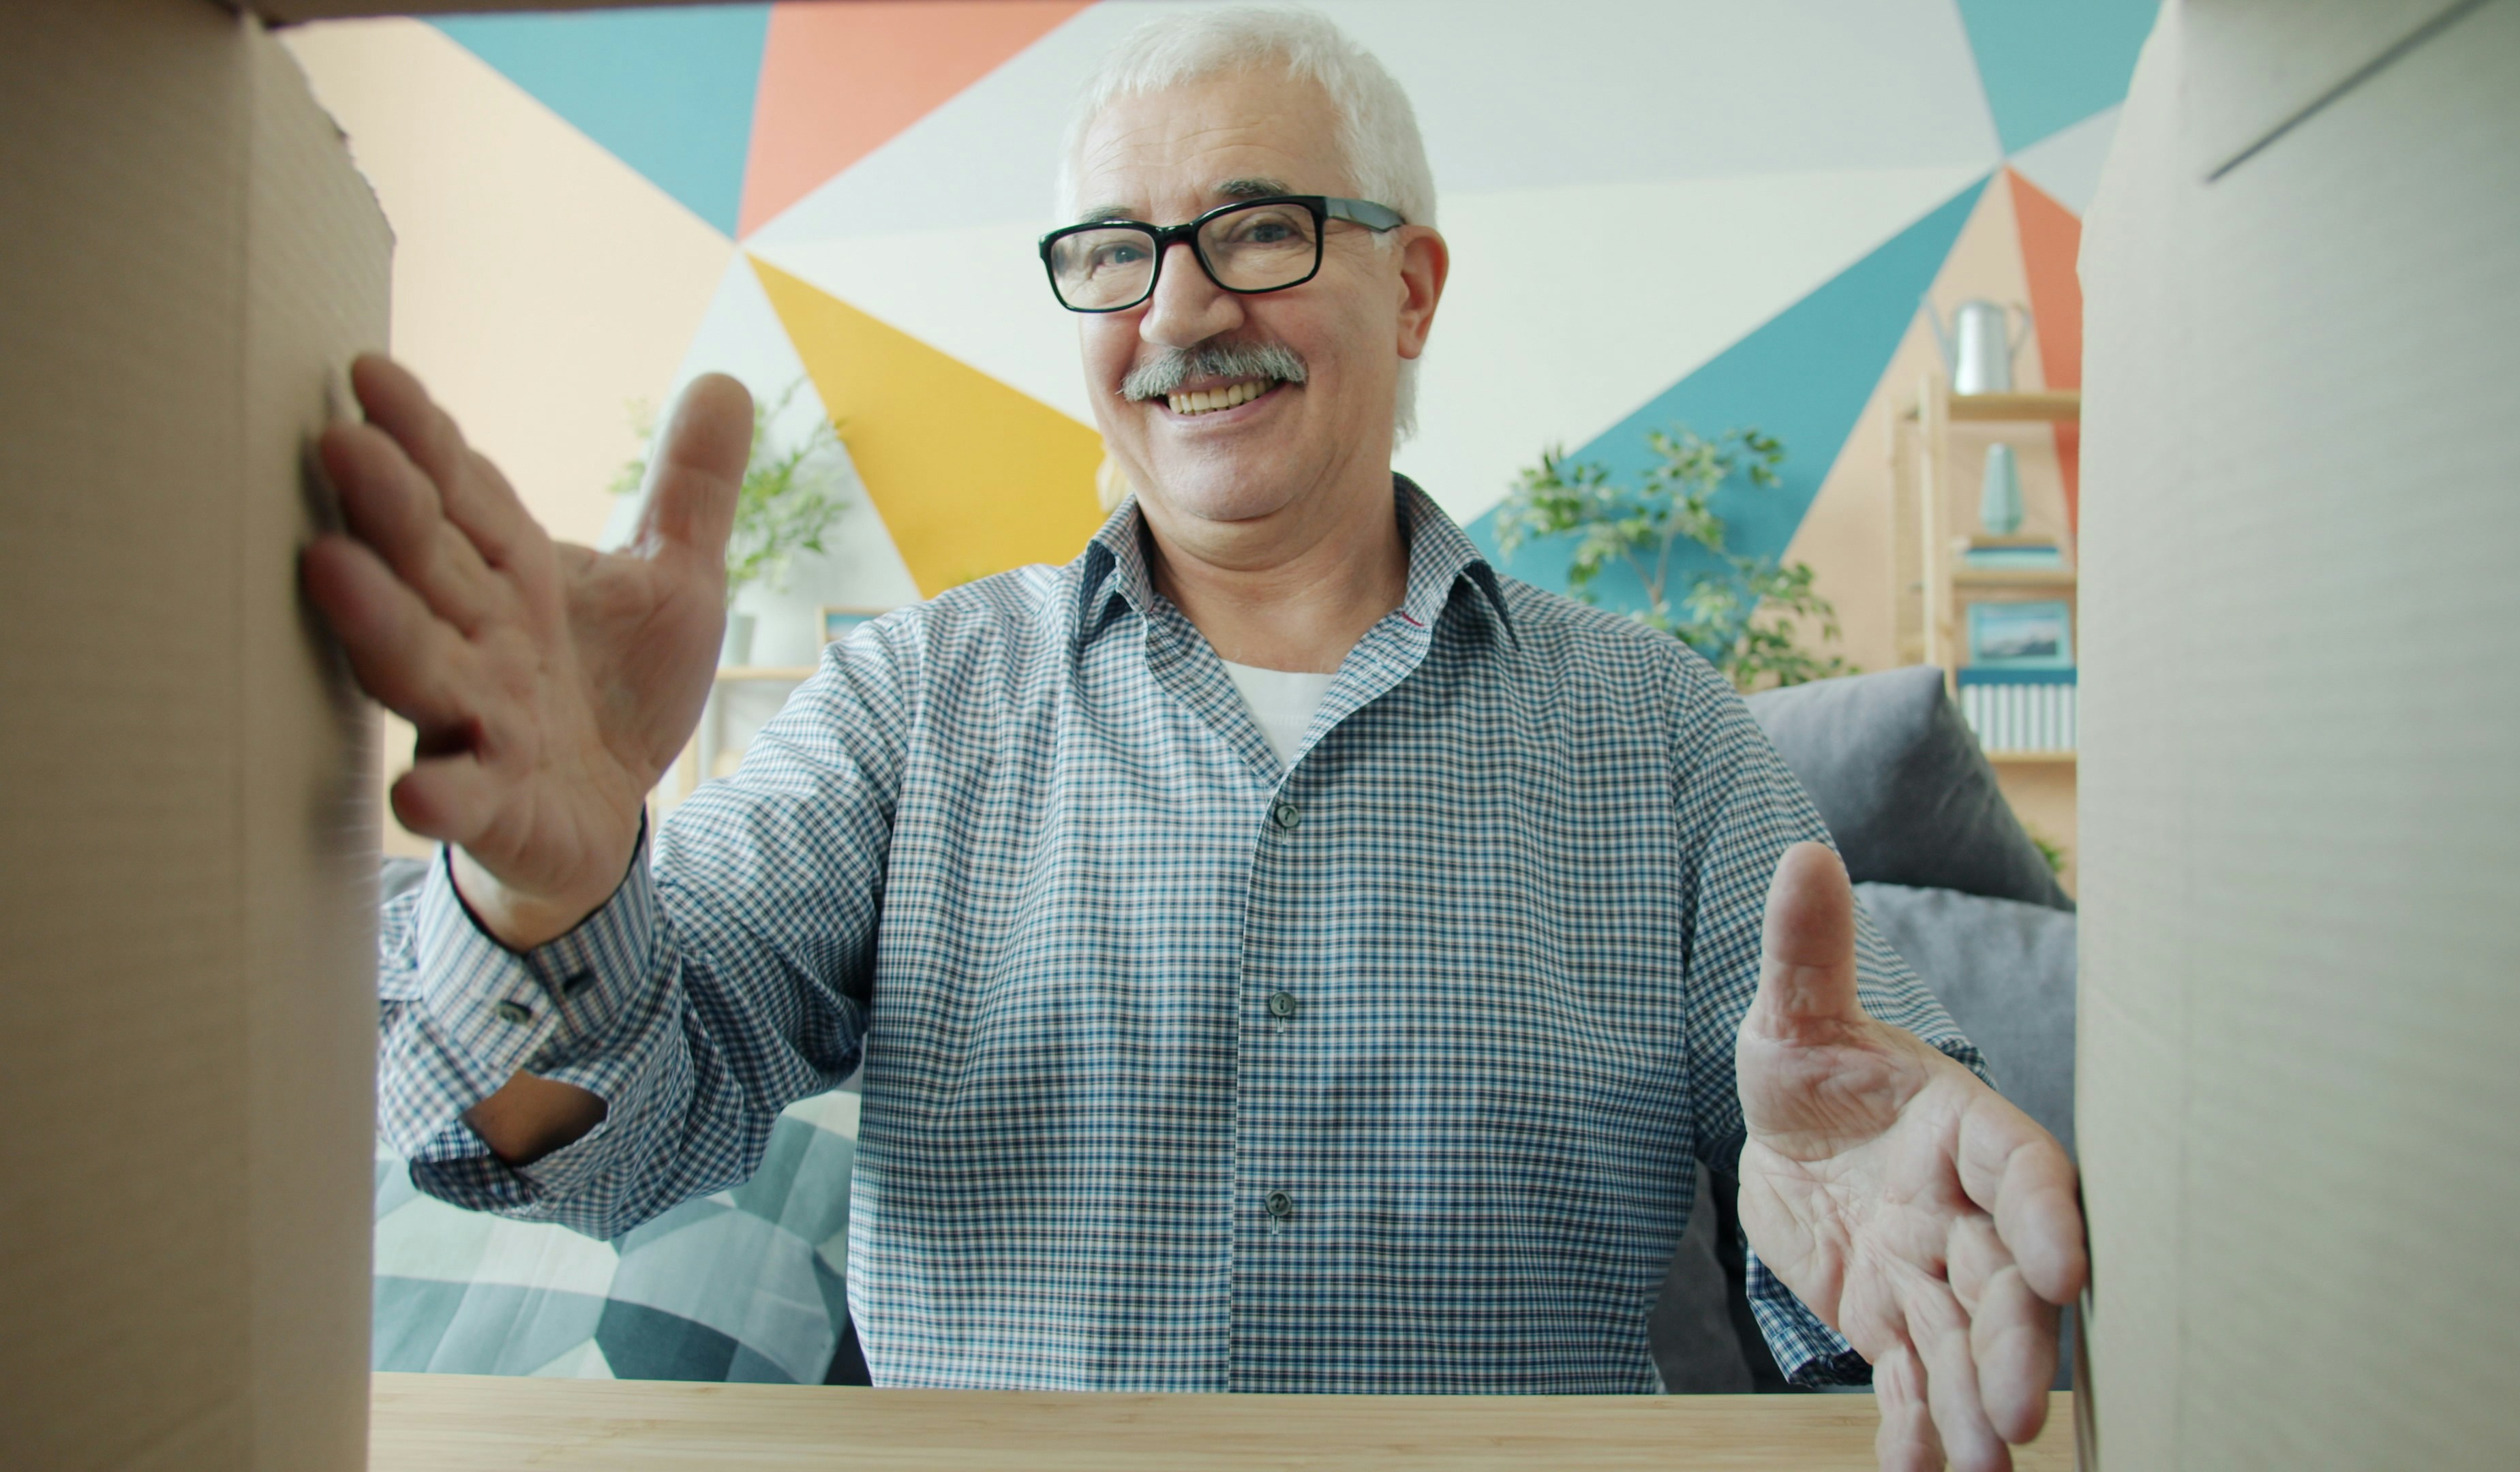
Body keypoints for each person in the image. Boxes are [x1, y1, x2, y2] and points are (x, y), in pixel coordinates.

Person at [303, 9, 2084, 1469]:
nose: (1175, 311)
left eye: (1256, 229)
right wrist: (545, 898)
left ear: (1413, 288)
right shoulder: (911, 707)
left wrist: (1875, 1232)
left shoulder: (1659, 728)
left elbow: (1865, 1135)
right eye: (1113, 256)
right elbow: (617, 1141)